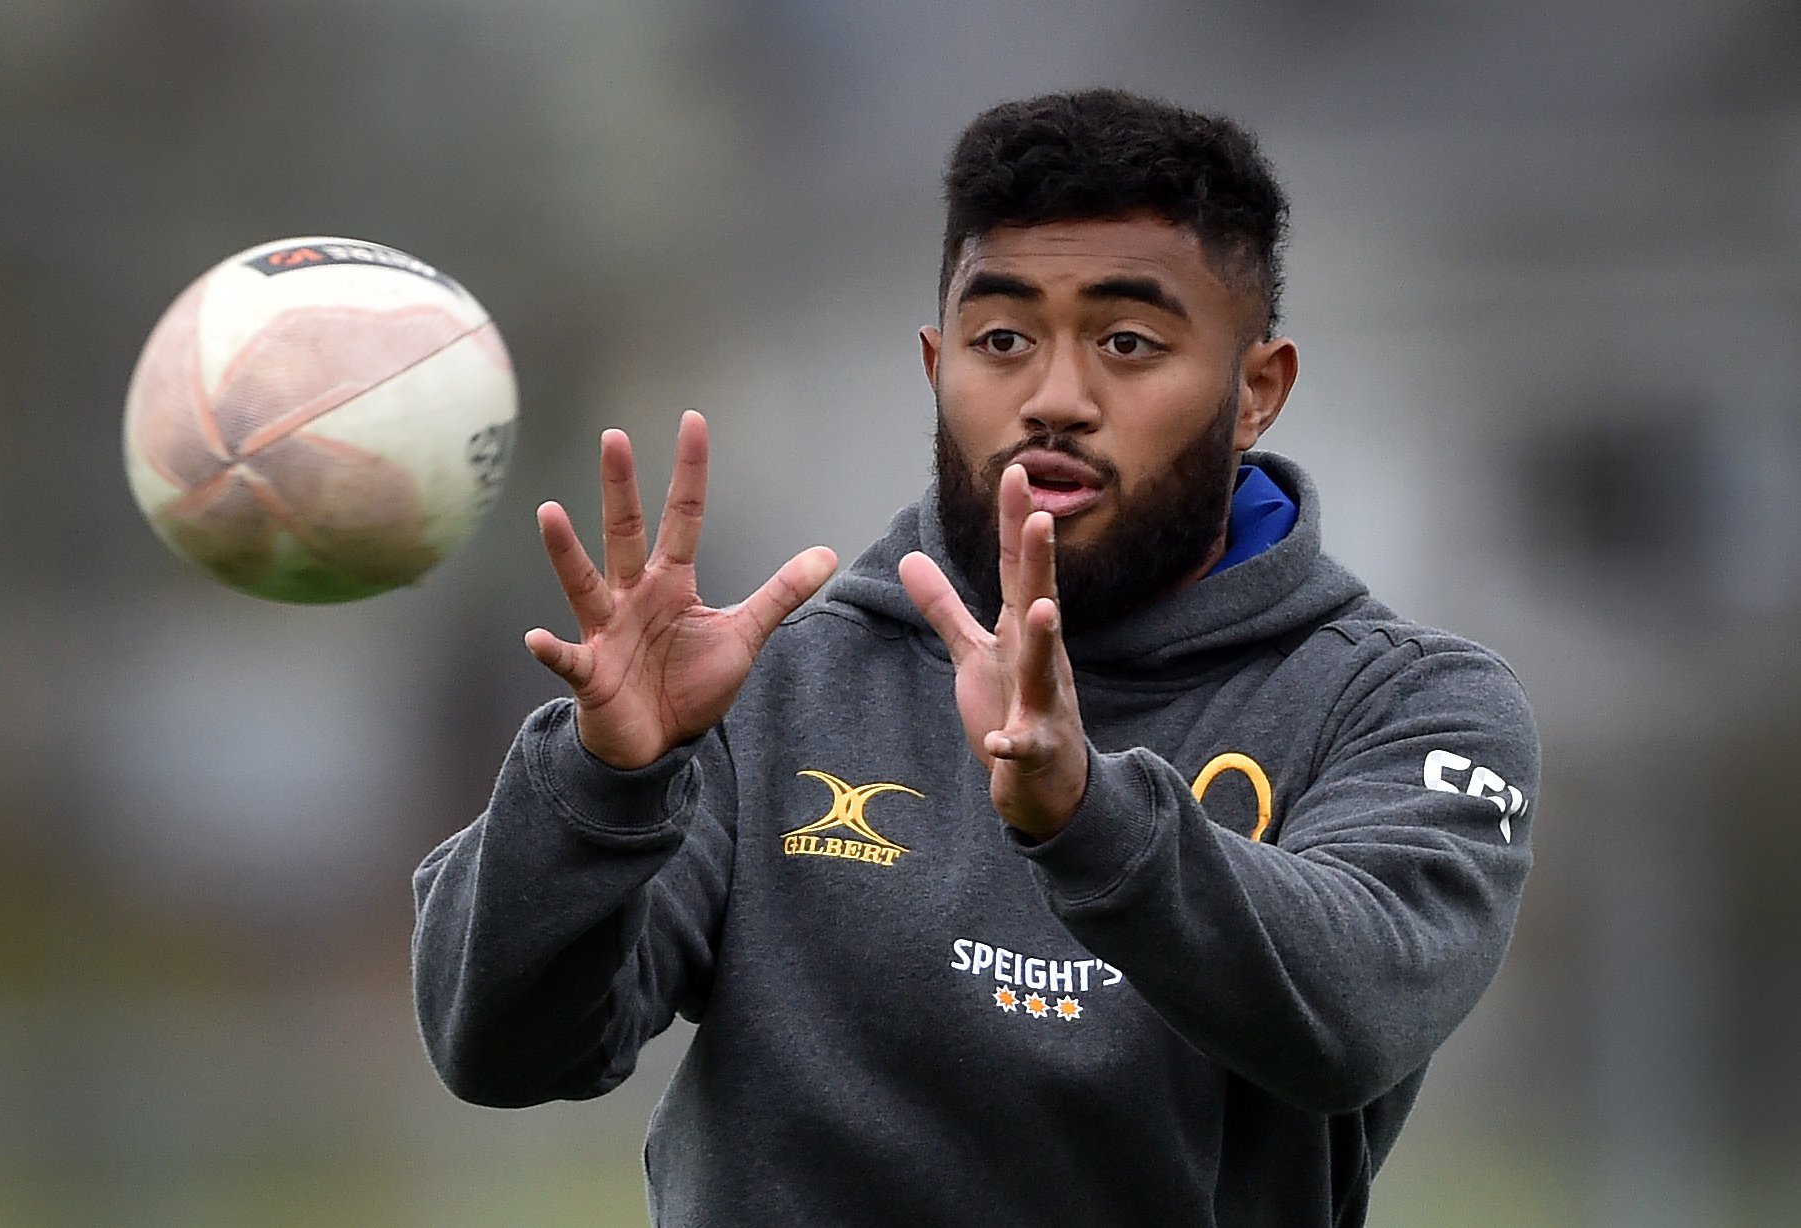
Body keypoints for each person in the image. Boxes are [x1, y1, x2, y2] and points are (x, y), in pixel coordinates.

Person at [412, 88, 1537, 1227]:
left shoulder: (1404, 705)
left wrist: (1085, 814)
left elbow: (1351, 1013)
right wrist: (602, 784)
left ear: (1254, 391)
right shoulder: (777, 681)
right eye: (1002, 340)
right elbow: (498, 1047)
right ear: (935, 363)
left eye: (1127, 343)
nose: (1053, 399)